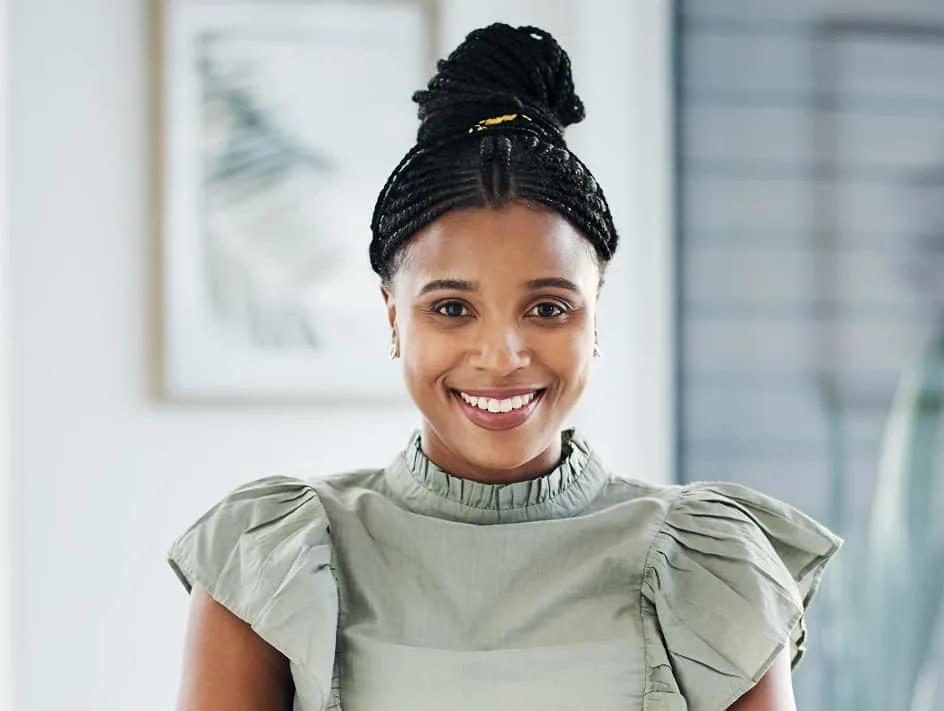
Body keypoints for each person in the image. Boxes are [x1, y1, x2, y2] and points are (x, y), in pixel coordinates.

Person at [168, 23, 842, 711]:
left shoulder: (706, 563)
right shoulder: (272, 556)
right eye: (453, 309)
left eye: (548, 309)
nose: (501, 355)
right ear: (394, 316)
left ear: (595, 314)